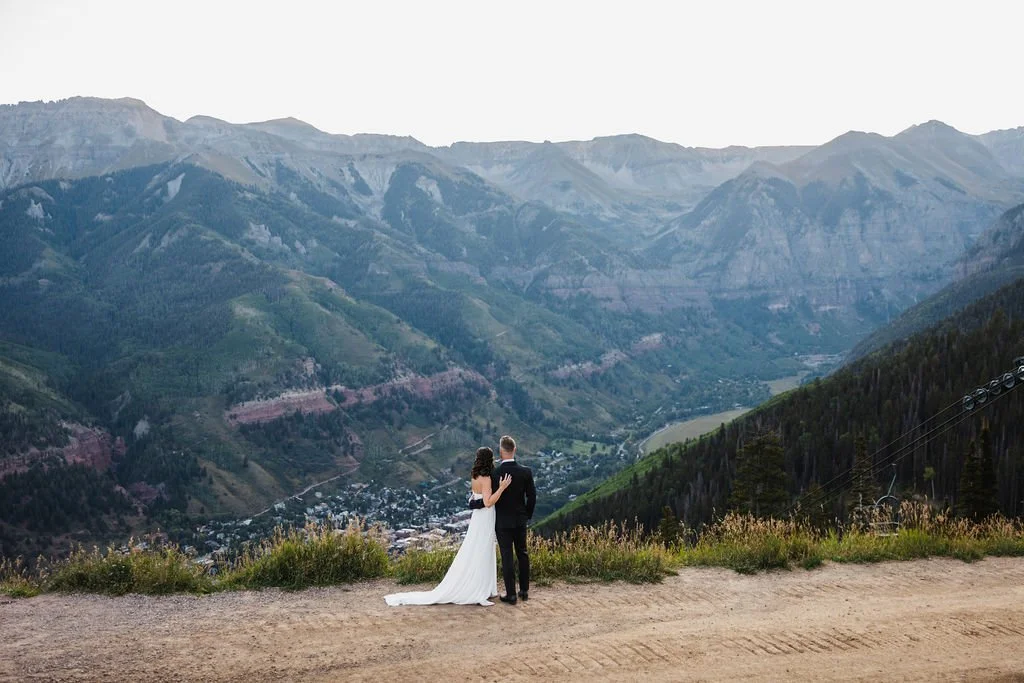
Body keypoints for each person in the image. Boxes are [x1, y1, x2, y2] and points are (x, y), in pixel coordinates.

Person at [384, 447, 511, 606]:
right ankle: (481, 589)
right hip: (485, 516)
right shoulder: (485, 479)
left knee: (478, 547)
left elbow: (473, 498)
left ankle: (486, 587)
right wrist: (502, 487)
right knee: (483, 549)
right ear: (489, 460)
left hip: (478, 517)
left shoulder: (474, 476)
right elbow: (487, 502)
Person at [468, 434, 536, 604]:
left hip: (502, 522)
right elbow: (532, 497)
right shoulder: (526, 472)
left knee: (506, 556)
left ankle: (511, 594)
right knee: (523, 553)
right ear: (515, 450)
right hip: (520, 520)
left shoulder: (494, 474)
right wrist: (526, 515)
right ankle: (524, 591)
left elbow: (485, 500)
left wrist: (472, 505)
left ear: (500, 452)